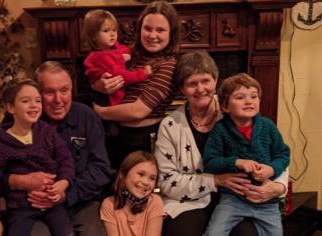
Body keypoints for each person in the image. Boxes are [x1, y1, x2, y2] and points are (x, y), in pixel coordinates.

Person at [154, 52, 289, 236]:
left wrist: (279, 186)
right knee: (182, 231)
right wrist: (215, 181)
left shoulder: (238, 107)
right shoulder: (170, 126)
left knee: (247, 234)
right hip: (190, 200)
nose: (201, 89)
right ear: (182, 89)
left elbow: (276, 154)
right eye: (192, 83)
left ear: (215, 80)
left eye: (206, 81)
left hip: (242, 198)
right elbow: (166, 181)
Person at [3, 61, 112, 236]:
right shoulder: (18, 120)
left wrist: (65, 194)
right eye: (49, 92)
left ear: (71, 90)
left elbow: (101, 169)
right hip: (31, 205)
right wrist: (19, 181)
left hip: (80, 201)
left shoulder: (86, 117)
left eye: (64, 90)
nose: (58, 99)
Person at [92, 1, 179, 169]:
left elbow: (138, 111)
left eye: (160, 30)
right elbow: (99, 70)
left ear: (171, 33)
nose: (152, 35)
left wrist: (99, 112)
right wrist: (99, 84)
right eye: (147, 29)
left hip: (143, 139)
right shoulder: (129, 54)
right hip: (115, 133)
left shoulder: (168, 65)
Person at [0, 79, 75, 236]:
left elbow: (66, 161)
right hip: (21, 208)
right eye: (25, 101)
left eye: (38, 101)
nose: (34, 105)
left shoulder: (47, 132)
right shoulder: (0, 146)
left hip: (52, 203)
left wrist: (63, 183)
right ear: (10, 107)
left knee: (66, 232)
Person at [203, 73, 290, 236]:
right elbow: (210, 161)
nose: (249, 101)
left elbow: (283, 154)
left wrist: (271, 170)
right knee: (214, 232)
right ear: (225, 106)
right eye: (240, 97)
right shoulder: (220, 130)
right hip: (233, 200)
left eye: (253, 96)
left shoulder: (268, 127)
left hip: (267, 201)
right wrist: (236, 162)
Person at [82, 9, 152, 106]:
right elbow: (121, 76)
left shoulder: (112, 47)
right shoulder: (99, 57)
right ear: (93, 35)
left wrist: (123, 56)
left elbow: (125, 49)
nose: (112, 34)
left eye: (114, 29)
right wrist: (142, 74)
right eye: (106, 31)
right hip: (109, 100)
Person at [100, 151, 165, 236]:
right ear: (123, 175)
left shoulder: (155, 202)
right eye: (141, 174)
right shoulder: (109, 205)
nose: (146, 182)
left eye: (152, 178)